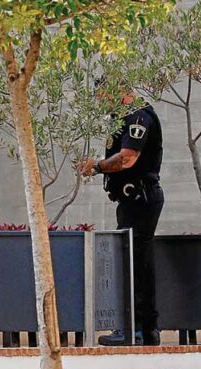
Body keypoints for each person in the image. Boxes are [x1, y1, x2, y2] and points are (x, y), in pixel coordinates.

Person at [79, 82, 164, 346]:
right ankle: (144, 330)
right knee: (137, 263)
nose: (101, 101)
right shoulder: (125, 117)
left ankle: (136, 331)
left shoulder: (137, 117)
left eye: (102, 94)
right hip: (133, 199)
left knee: (135, 265)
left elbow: (128, 158)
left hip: (139, 197)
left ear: (118, 90)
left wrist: (96, 167)